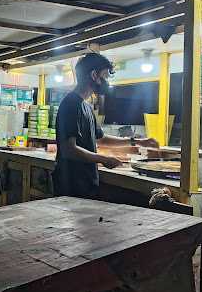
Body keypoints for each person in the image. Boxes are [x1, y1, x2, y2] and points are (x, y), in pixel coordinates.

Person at [54, 53, 158, 200]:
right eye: (105, 75)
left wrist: (137, 141)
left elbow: (100, 139)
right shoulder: (70, 104)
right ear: (94, 75)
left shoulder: (86, 106)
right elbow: (68, 149)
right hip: (70, 185)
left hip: (86, 183)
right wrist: (103, 159)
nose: (107, 81)